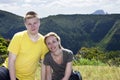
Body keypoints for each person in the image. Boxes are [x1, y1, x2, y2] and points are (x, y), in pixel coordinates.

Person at [0, 11, 48, 80]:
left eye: (35, 23)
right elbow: (11, 61)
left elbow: (44, 65)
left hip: (27, 78)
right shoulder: (18, 37)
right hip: (8, 71)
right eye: (29, 24)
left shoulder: (43, 42)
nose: (33, 26)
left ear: (39, 23)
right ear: (25, 25)